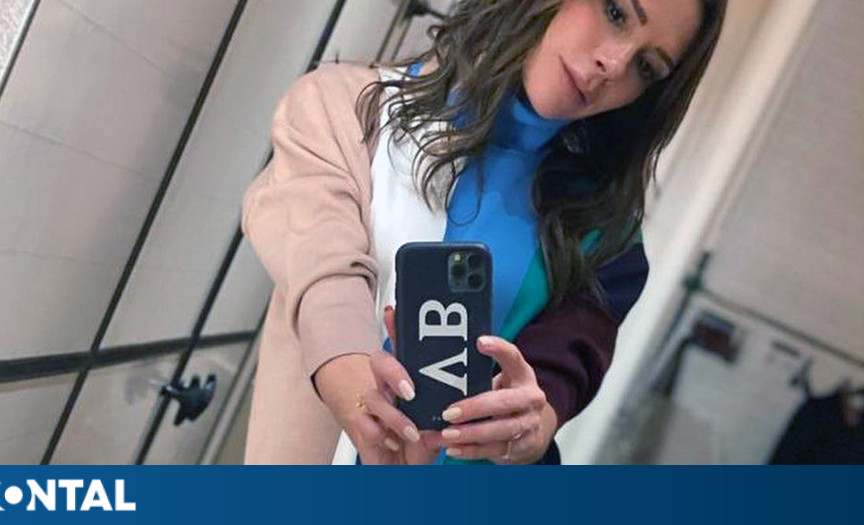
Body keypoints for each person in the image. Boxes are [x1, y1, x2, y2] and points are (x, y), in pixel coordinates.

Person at [242, 0, 727, 465]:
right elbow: (322, 270)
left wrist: (531, 425)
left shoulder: (607, 237)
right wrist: (357, 388)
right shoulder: (345, 110)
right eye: (616, 11)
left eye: (646, 67)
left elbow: (560, 373)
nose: (613, 64)